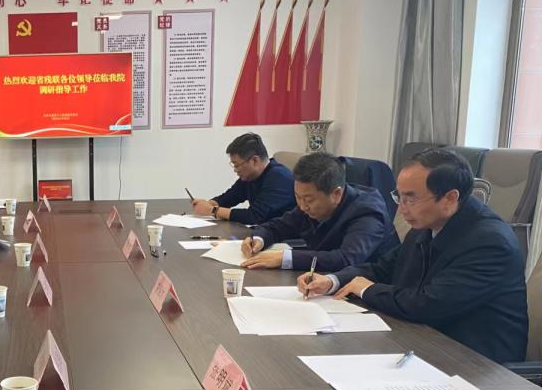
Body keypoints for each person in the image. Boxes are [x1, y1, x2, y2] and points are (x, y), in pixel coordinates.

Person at [299, 148, 528, 363]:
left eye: (410, 199)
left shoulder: (490, 242)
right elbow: (383, 268)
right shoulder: (428, 225)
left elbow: (429, 304)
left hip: (477, 364)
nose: (401, 209)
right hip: (425, 343)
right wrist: (332, 280)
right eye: (399, 197)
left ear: (450, 198)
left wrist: (367, 289)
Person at [240, 152, 399, 272]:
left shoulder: (367, 211)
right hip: (323, 281)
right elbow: (278, 226)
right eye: (297, 197)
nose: (302, 206)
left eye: (308, 200)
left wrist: (285, 258)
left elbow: (346, 258)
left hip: (366, 292)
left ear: (336, 194)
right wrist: (258, 239)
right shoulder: (308, 204)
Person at [191, 132, 294, 224]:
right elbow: (230, 197)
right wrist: (207, 204)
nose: (235, 170)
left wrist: (213, 210)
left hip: (285, 236)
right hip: (263, 232)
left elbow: (254, 216)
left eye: (236, 165)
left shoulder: (279, 177)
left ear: (254, 161)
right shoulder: (250, 177)